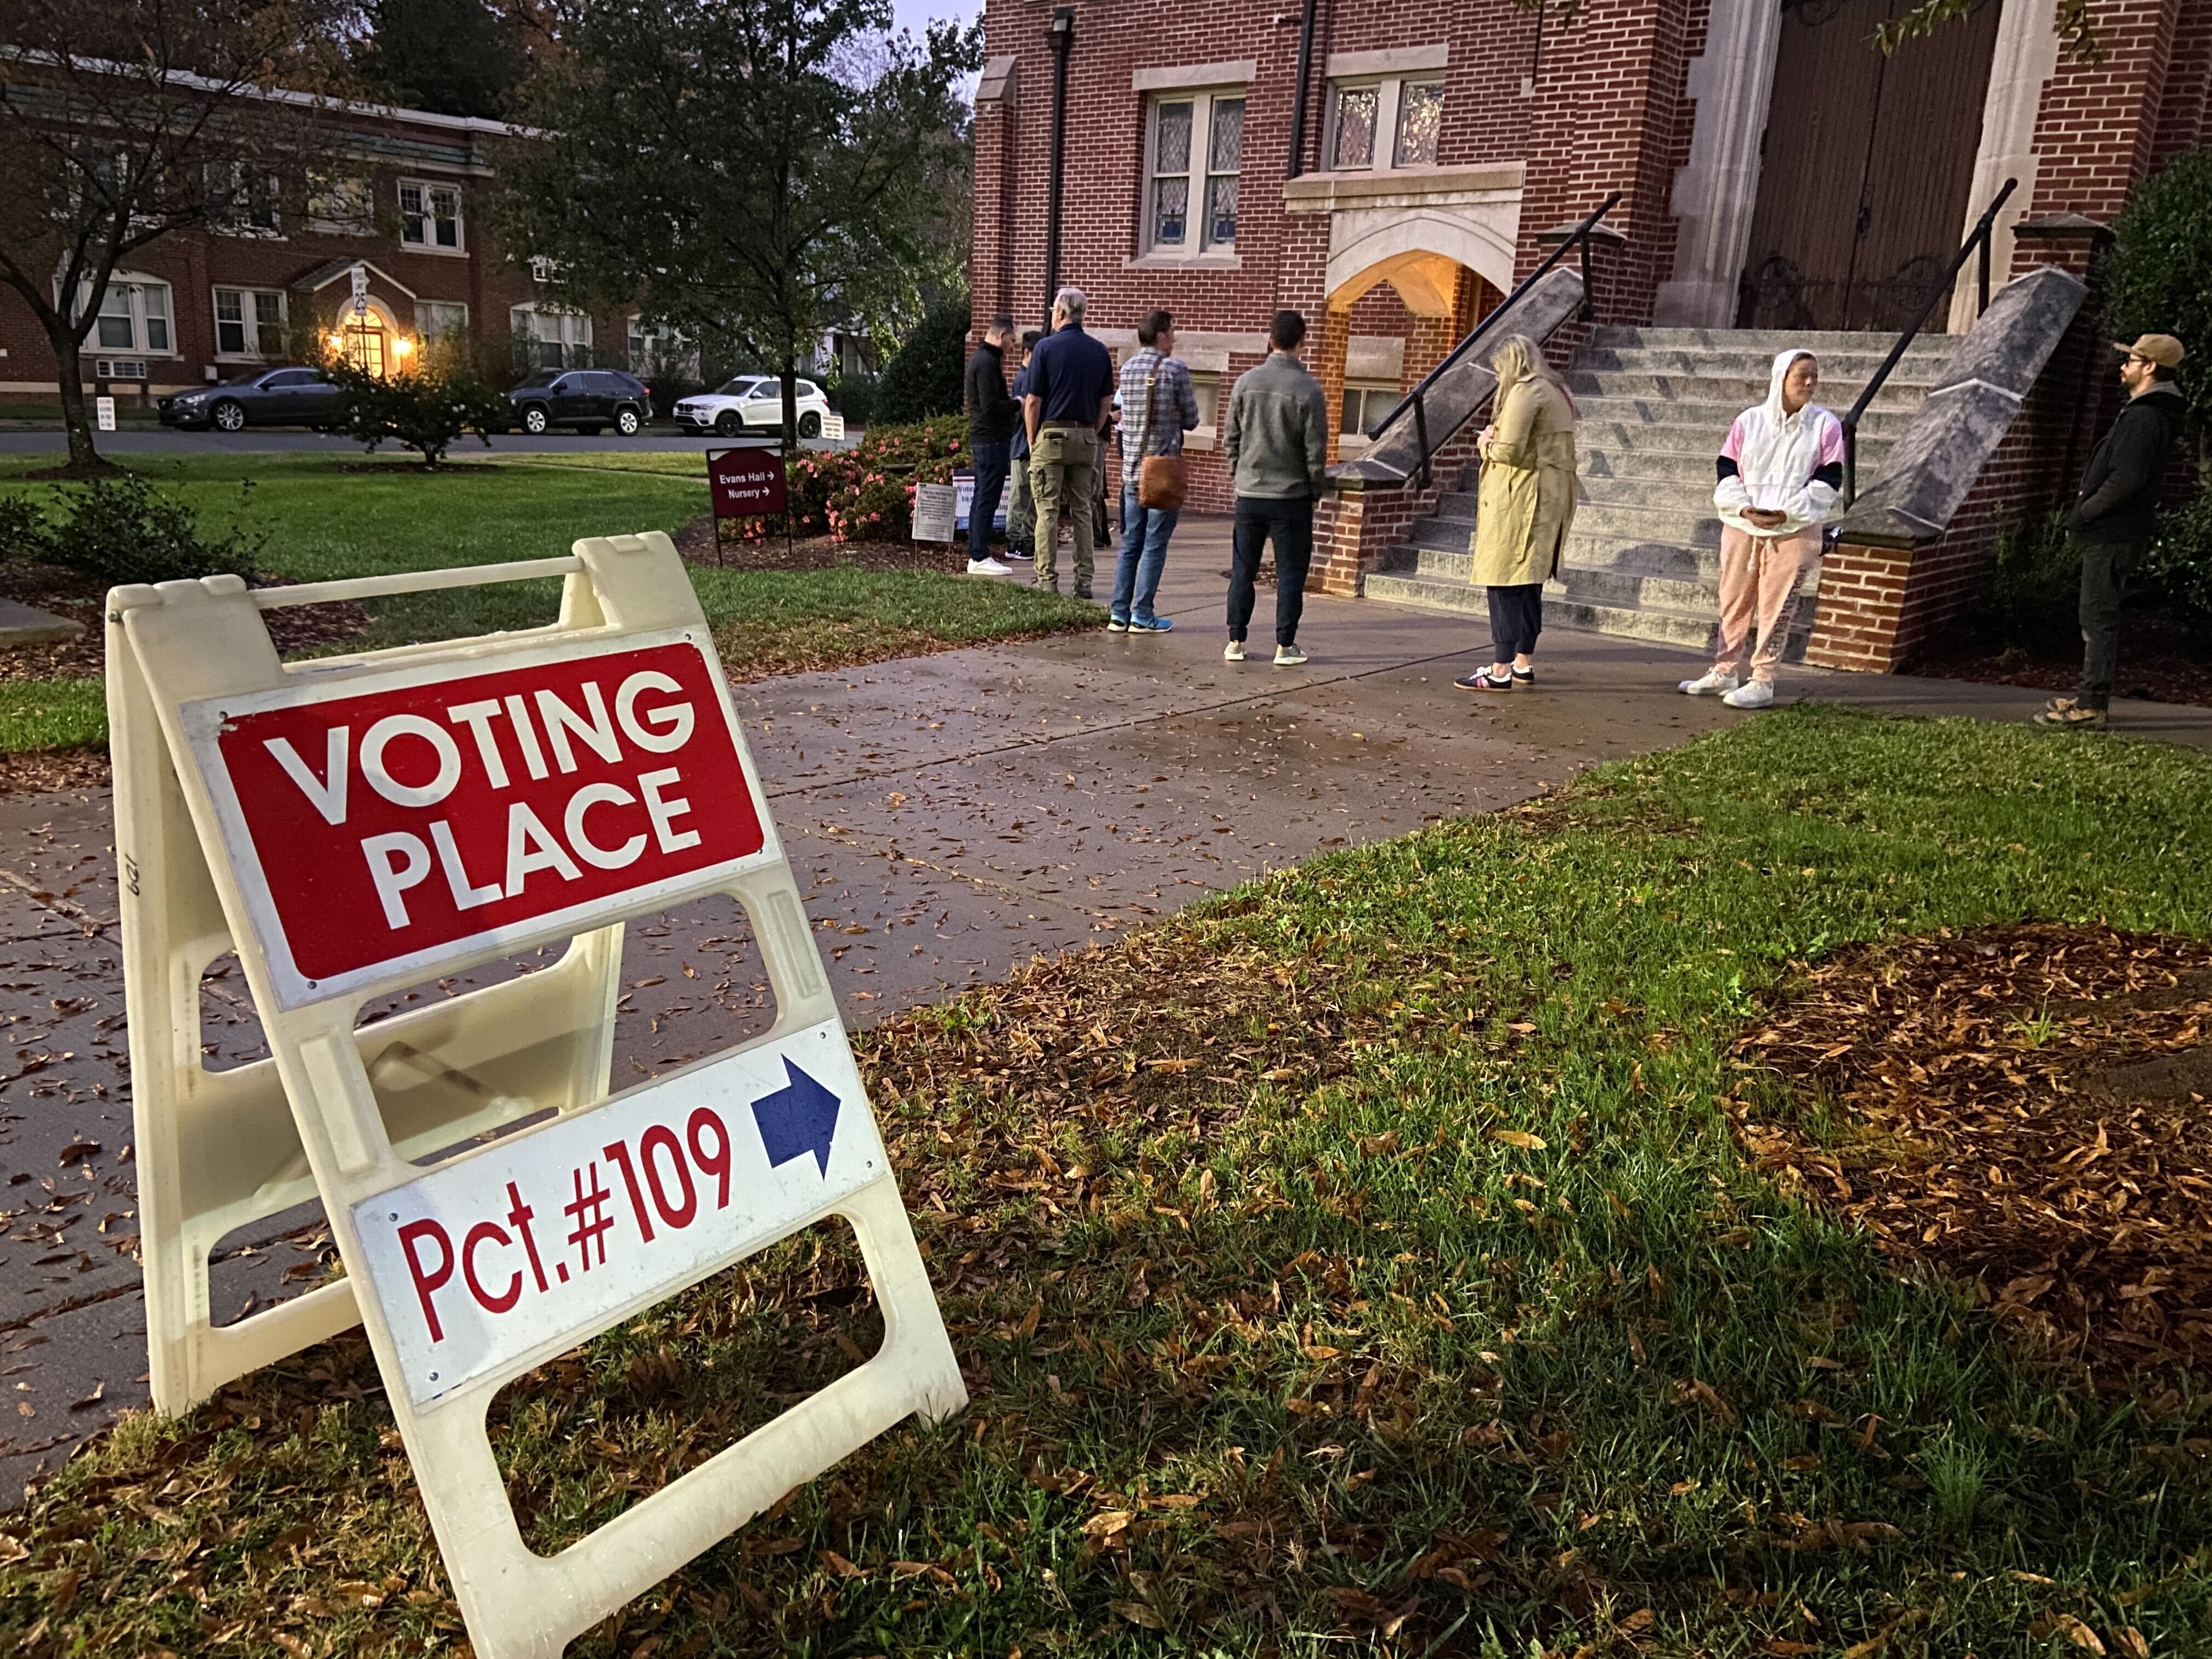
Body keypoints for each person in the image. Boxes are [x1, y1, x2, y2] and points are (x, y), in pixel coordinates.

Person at [2037, 332, 2188, 729]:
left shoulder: (2144, 418)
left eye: (2132, 360)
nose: (2124, 366)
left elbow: (2127, 479)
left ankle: (2091, 705)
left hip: (2113, 532)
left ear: (2150, 367)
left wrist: (2087, 511)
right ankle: (2089, 698)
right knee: (2096, 616)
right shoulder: (2144, 413)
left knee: (2097, 619)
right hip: (2114, 530)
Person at [1678, 349, 1843, 708]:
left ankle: (1763, 680)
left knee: (1777, 605)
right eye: (1802, 376)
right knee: (1734, 599)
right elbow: (1726, 468)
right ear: (1781, 378)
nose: (1810, 383)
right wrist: (1743, 507)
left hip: (1794, 531)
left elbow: (1829, 479)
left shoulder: (1825, 426)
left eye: (1815, 376)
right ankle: (1724, 670)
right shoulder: (1749, 422)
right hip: (1742, 526)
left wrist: (1788, 513)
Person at [1458, 336, 1577, 692]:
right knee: (1529, 579)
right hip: (1548, 494)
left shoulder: (1526, 392)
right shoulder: (1556, 390)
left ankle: (1499, 670)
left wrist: (1486, 442)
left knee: (1505, 577)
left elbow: (1509, 451)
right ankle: (1522, 661)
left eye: (1499, 370)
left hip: (1523, 497)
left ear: (1511, 364)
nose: (1498, 379)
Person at [1223, 309, 1329, 665]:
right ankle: (1285, 645)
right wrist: (1316, 488)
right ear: (1303, 341)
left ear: (1270, 340)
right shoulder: (1309, 389)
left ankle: (1236, 640)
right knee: (1291, 573)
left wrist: (1237, 474)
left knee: (1243, 570)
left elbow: (1231, 439)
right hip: (1291, 495)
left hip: (1250, 492)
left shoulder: (1244, 383)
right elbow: (1316, 449)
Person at [1109, 308, 1200, 633]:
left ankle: (1119, 613)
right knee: (1155, 543)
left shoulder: (1128, 368)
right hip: (1161, 469)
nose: (1175, 338)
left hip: (1132, 469)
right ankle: (1143, 614)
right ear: (1161, 336)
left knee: (1130, 542)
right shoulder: (1175, 369)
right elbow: (1192, 418)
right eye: (1172, 332)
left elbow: (1125, 414)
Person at [1023, 287, 1116, 599]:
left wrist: (1032, 438)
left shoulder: (1046, 349)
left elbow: (1033, 400)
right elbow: (1106, 402)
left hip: (1052, 434)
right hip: (1087, 437)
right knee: (1083, 511)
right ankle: (1084, 583)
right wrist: (1093, 430)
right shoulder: (1100, 351)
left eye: (1053, 310)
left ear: (1061, 313)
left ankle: (1047, 580)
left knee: (1047, 510)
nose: (1052, 315)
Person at [962, 314, 1019, 577]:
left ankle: (978, 553)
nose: (1013, 344)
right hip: (990, 439)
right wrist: (1017, 403)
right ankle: (979, 556)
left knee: (982, 496)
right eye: (1011, 339)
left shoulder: (982, 360)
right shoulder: (987, 363)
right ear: (1001, 335)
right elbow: (990, 406)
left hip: (986, 439)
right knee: (987, 497)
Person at [1004, 329, 1042, 563]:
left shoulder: (1027, 377)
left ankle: (1026, 542)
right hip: (1022, 447)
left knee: (1029, 499)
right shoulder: (1026, 378)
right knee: (1021, 498)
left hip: (1025, 447)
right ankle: (1016, 542)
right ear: (1027, 352)